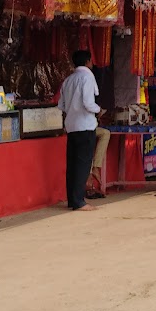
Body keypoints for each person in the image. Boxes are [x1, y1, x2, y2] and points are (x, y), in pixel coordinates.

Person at [57, 50, 101, 211]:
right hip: (85, 125)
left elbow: (61, 105)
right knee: (83, 164)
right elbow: (88, 103)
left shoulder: (68, 80)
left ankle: (72, 199)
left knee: (73, 164)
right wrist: (99, 109)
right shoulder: (87, 77)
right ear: (88, 61)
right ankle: (79, 202)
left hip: (71, 126)